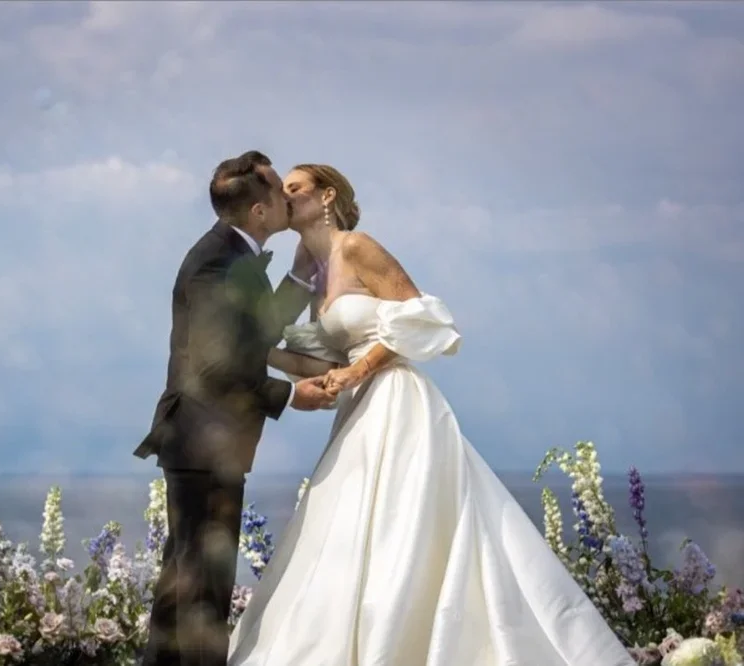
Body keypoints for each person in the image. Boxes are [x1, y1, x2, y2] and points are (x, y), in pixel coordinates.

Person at [227, 163, 637, 665]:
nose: (286, 197)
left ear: (327, 195)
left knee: (408, 521)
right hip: (358, 410)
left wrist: (356, 373)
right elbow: (308, 351)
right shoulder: (309, 267)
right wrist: (254, 349)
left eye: (296, 189)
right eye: (282, 191)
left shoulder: (357, 246)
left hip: (396, 399)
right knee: (350, 527)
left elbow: (423, 316)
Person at [134, 150, 339, 666]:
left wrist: (297, 277)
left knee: (188, 580)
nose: (287, 198)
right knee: (202, 587)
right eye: (279, 191)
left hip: (207, 441)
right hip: (203, 439)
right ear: (260, 213)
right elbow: (214, 366)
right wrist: (292, 395)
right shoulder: (217, 263)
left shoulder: (232, 256)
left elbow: (257, 330)